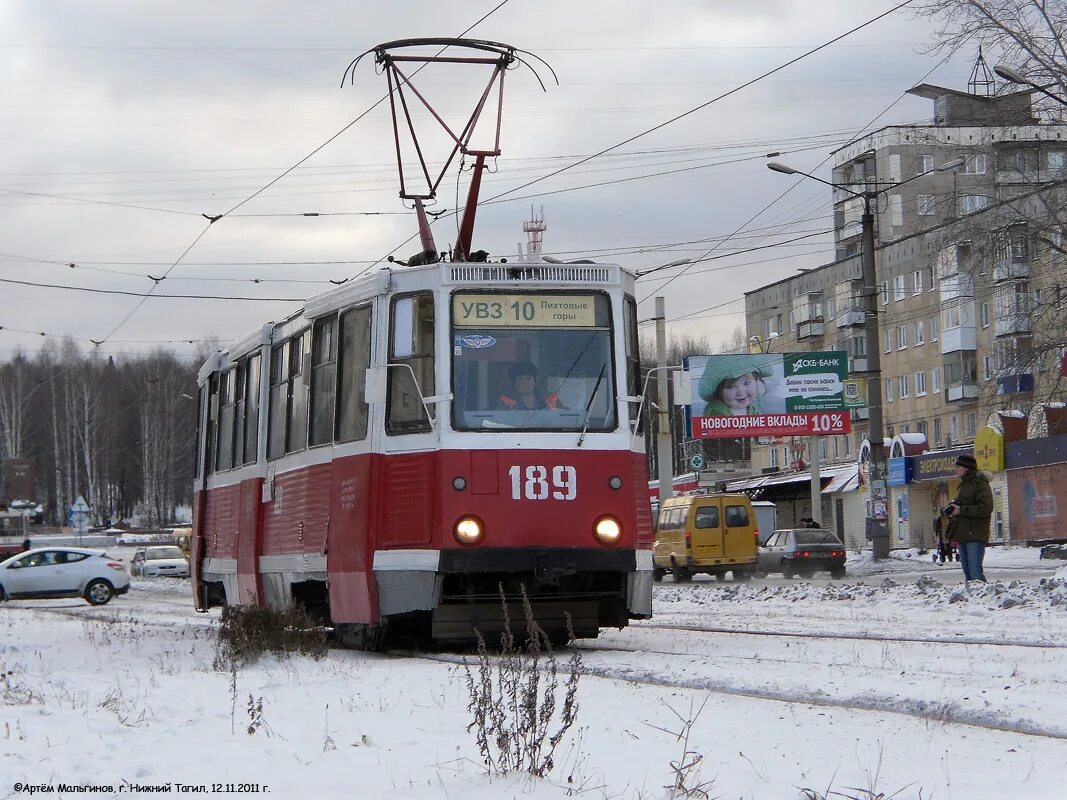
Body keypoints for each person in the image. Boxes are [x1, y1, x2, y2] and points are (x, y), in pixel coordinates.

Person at [946, 453, 993, 583]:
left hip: (975, 534)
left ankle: (983, 597)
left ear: (967, 468)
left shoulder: (980, 485)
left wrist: (961, 510)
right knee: (968, 573)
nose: (956, 469)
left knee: (975, 572)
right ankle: (972, 599)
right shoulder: (963, 485)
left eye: (958, 466)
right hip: (963, 535)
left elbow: (986, 509)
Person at [698, 355, 772, 416]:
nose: (740, 392)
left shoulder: (752, 409)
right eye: (731, 387)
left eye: (746, 383)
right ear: (719, 391)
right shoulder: (716, 410)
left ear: (756, 381)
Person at [498, 361, 562, 411]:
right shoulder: (505, 400)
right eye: (520, 379)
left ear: (534, 381)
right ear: (514, 383)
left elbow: (562, 416)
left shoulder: (550, 397)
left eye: (528, 378)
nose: (525, 382)